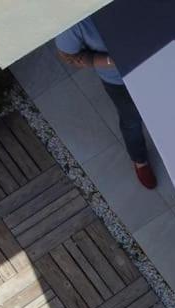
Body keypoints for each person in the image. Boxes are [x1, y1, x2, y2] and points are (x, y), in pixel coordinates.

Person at [55, 19, 157, 189]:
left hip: (158, 60)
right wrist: (113, 60)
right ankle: (139, 160)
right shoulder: (74, 21)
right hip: (119, 80)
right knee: (131, 120)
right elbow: (69, 57)